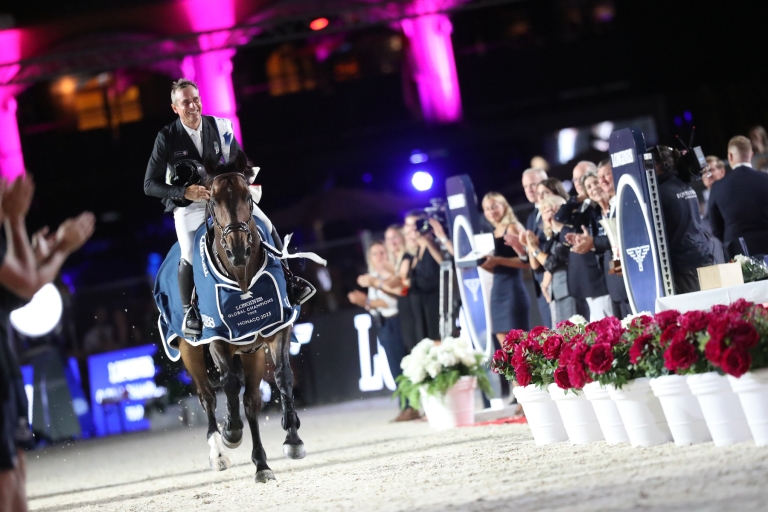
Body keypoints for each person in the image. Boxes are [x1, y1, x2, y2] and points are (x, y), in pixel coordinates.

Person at [144, 78, 313, 338]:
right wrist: (184, 192)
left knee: (267, 225)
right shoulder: (166, 137)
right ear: (175, 108)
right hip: (190, 204)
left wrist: (237, 184)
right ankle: (190, 312)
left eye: (196, 99)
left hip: (223, 198)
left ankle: (290, 282)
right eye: (186, 102)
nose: (193, 106)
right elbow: (149, 185)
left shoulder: (220, 127)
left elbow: (237, 162)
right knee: (188, 251)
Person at [0, 175, 95, 512]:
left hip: (6, 371)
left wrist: (49, 251)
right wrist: (18, 222)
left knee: (16, 469)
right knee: (7, 477)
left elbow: (17, 292)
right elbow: (27, 285)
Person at [348, 241, 418, 421]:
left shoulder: (390, 274)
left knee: (401, 365)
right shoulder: (373, 276)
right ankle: (405, 405)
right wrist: (366, 301)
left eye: (382, 253)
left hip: (395, 321)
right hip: (383, 323)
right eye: (375, 254)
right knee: (394, 367)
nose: (379, 257)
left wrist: (365, 301)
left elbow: (390, 302)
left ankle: (411, 405)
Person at [569, 162, 631, 318]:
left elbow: (618, 237)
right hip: (613, 276)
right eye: (589, 186)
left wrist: (593, 242)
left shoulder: (620, 202)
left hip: (628, 273)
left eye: (605, 176)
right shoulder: (601, 211)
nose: (600, 183)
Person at [650, 145, 715, 293]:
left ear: (661, 165)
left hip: (684, 265)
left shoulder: (659, 193)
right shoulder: (684, 186)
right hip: (702, 255)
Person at [555, 162, 611, 322]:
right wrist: (579, 197)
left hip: (607, 273)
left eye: (595, 183)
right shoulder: (589, 210)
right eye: (576, 181)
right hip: (605, 272)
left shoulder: (610, 206)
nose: (578, 183)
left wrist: (592, 242)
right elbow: (560, 217)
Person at [521, 194, 588, 324]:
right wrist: (530, 246)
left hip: (570, 291)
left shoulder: (568, 234)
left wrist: (534, 248)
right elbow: (538, 268)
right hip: (557, 293)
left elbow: (551, 263)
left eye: (552, 210)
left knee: (575, 331)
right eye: (544, 212)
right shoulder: (552, 238)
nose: (548, 215)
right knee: (562, 333)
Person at [480, 193, 530, 343]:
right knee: (501, 337)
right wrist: (483, 263)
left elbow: (527, 261)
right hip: (497, 290)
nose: (491, 212)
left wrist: (499, 260)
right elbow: (495, 267)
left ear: (504, 206)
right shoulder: (492, 233)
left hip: (512, 289)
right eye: (487, 209)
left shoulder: (512, 227)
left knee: (517, 339)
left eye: (494, 207)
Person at [709, 135, 768, 259]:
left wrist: (731, 243)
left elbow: (715, 228)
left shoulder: (718, 187)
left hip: (737, 253)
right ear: (751, 155)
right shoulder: (765, 179)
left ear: (730, 156)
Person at [509, 168, 552, 329]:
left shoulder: (554, 210)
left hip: (555, 282)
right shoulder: (532, 217)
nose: (529, 190)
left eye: (533, 184)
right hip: (540, 286)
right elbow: (532, 252)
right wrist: (522, 250)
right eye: (525, 186)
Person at [403, 211, 444, 341]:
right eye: (408, 225)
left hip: (436, 301)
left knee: (437, 338)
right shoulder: (414, 251)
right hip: (421, 305)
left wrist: (426, 241)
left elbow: (443, 263)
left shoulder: (433, 243)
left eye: (415, 225)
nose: (412, 229)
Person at [384, 225, 418, 351]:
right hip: (403, 313)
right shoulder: (394, 262)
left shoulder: (407, 257)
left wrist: (378, 283)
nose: (391, 242)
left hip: (412, 310)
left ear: (402, 237)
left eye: (394, 237)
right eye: (388, 239)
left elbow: (402, 286)